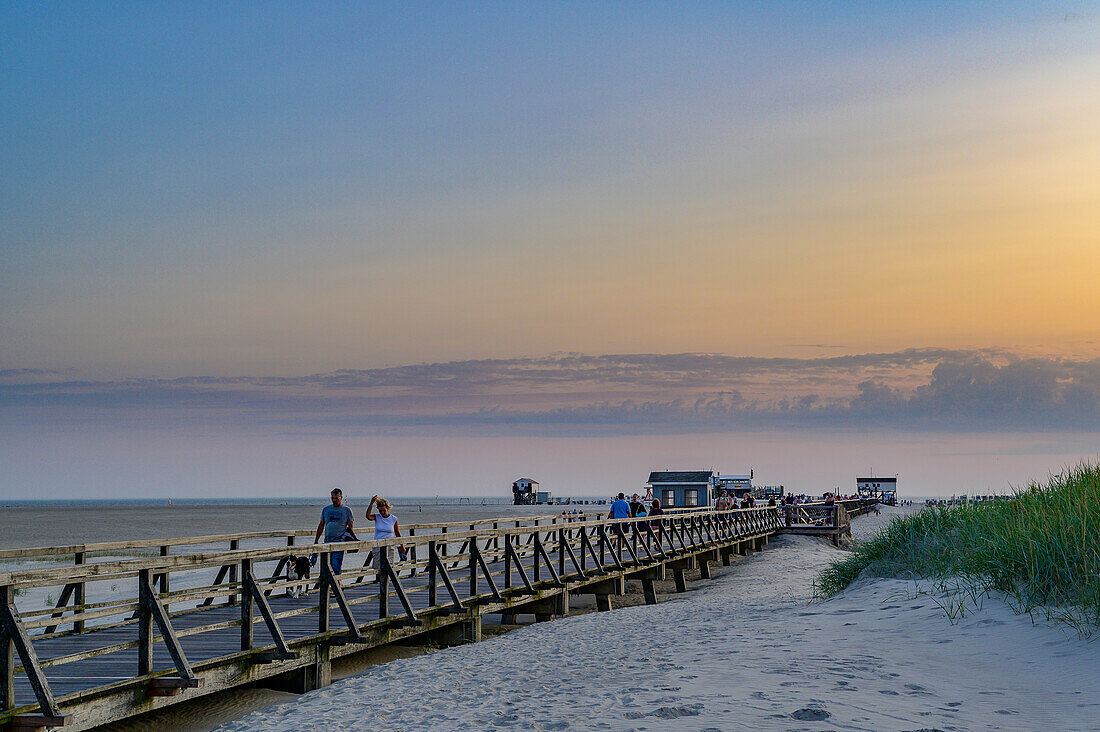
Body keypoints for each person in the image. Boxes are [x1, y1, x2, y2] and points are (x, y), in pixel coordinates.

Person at [314, 488, 354, 575]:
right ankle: (333, 585)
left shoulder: (347, 510)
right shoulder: (326, 509)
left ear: (341, 497)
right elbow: (321, 525)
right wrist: (316, 540)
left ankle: (336, 586)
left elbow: (350, 527)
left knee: (335, 565)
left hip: (339, 542)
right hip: (327, 541)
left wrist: (347, 540)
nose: (334, 500)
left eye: (336, 498)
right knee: (326, 566)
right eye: (332, 498)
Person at [365, 495, 403, 577]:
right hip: (378, 545)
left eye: (384, 510)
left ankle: (386, 586)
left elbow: (397, 533)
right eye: (380, 511)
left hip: (389, 546)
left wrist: (402, 546)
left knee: (389, 567)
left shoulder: (393, 519)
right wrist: (371, 503)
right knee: (378, 569)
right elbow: (368, 516)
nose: (382, 513)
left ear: (387, 508)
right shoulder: (377, 517)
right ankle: (379, 585)